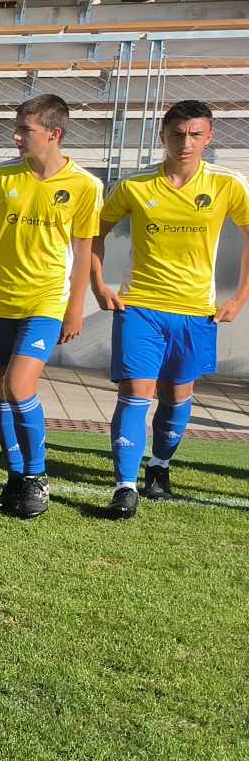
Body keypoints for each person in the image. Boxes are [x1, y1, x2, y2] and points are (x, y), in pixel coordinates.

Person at [92, 99, 249, 518]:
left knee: (176, 394)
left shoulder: (228, 184)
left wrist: (240, 297)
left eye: (195, 134)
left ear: (209, 137)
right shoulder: (135, 184)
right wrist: (98, 283)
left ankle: (159, 465)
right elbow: (93, 232)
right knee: (134, 392)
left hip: (196, 310)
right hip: (140, 306)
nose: (185, 143)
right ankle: (125, 486)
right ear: (162, 136)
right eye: (177, 134)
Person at [0, 94, 103, 519]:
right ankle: (16, 477)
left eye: (26, 130)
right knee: (3, 391)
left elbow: (83, 252)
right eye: (17, 128)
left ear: (54, 133)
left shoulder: (85, 185)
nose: (16, 136)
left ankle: (37, 476)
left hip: (46, 301)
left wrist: (76, 307)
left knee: (20, 386)